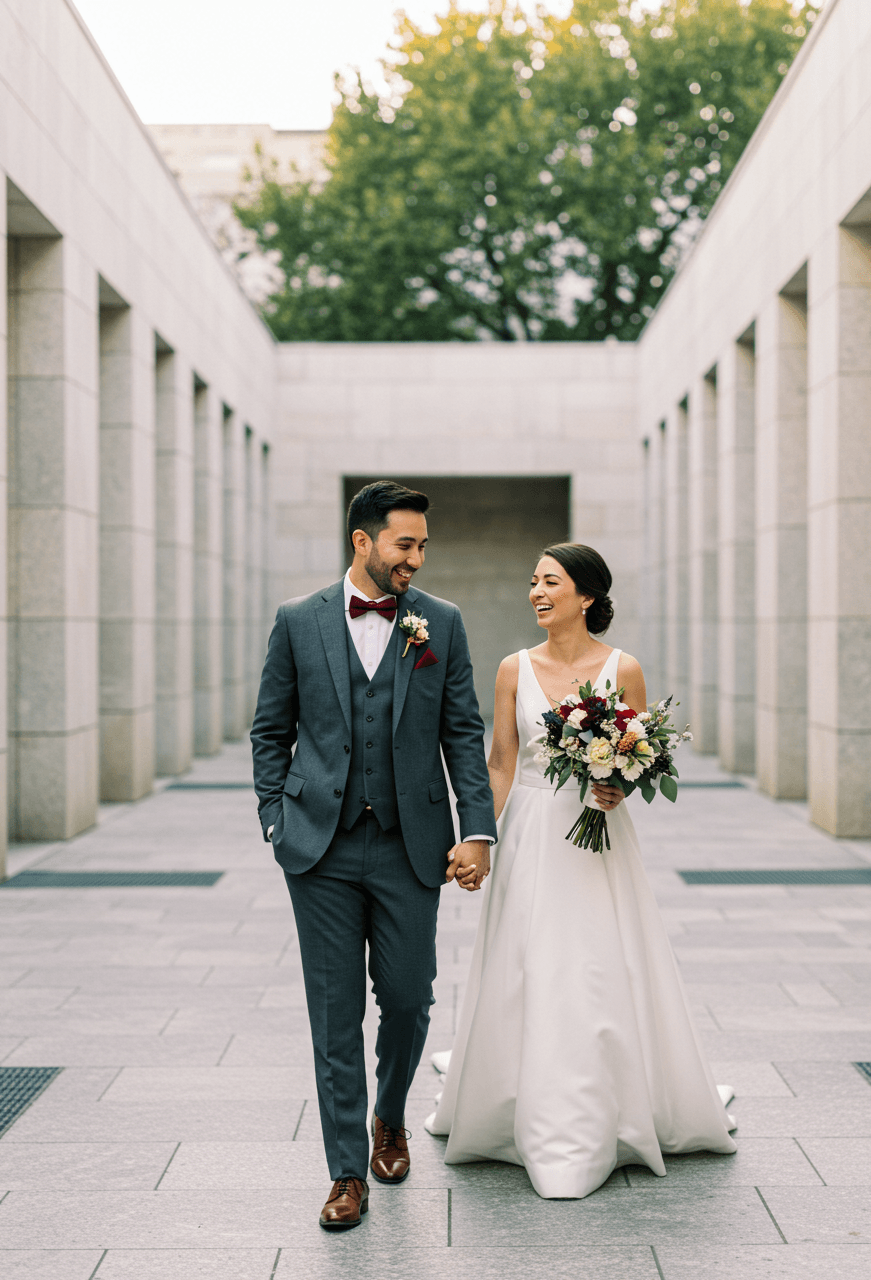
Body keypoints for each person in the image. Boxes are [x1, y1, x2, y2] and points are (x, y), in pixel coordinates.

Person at [425, 542, 736, 1199]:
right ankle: (520, 1098)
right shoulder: (514, 668)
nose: (537, 592)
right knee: (530, 960)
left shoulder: (624, 668)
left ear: (587, 595)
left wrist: (618, 782)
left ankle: (611, 1103)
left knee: (599, 961)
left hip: (600, 835)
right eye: (532, 581)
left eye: (551, 582)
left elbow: (644, 754)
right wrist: (478, 836)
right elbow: (501, 762)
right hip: (534, 831)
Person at [250, 480, 497, 1230]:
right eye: (405, 544)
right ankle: (346, 1173)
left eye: (422, 546)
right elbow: (269, 730)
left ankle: (389, 1115)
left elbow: (463, 730)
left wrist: (477, 830)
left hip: (409, 846)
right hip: (318, 850)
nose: (416, 559)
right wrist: (273, 818)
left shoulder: (441, 625)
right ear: (362, 542)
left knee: (409, 998)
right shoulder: (299, 622)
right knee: (334, 1015)